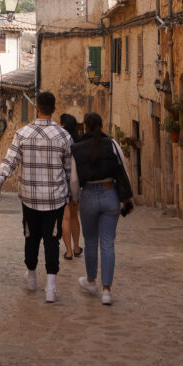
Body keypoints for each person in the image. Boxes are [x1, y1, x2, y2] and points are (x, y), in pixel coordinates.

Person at [0, 91, 73, 302]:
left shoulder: (23, 133)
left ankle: (32, 277)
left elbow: (10, 162)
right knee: (52, 240)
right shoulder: (64, 136)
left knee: (31, 236)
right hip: (55, 199)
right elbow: (69, 170)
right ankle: (51, 287)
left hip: (30, 198)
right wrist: (71, 194)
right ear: (54, 108)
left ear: (37, 108)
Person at [70, 112, 135, 305]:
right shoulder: (112, 144)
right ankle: (107, 291)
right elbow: (123, 170)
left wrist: (75, 198)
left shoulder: (77, 148)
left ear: (86, 128)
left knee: (90, 241)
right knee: (108, 242)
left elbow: (74, 179)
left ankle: (91, 282)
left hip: (88, 195)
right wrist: (127, 198)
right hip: (110, 194)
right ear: (101, 125)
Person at [59, 113, 82, 260]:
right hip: (75, 181)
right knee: (74, 216)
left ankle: (68, 252)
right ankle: (76, 247)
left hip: (62, 181)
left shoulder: (61, 140)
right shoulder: (79, 142)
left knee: (65, 218)